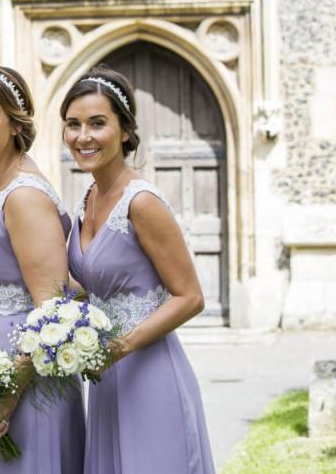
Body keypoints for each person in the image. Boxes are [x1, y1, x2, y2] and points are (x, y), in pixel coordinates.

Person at [62, 65, 215, 474]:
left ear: (126, 131)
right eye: (73, 124)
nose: (83, 136)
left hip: (150, 374)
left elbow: (190, 297)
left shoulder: (142, 202)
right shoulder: (88, 198)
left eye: (97, 123)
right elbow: (93, 286)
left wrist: (117, 348)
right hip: (107, 379)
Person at [0, 66, 85, 473]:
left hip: (19, 382)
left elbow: (51, 307)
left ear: (15, 124)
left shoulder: (23, 196)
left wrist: (10, 389)